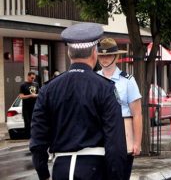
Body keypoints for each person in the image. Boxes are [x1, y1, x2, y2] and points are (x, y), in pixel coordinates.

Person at [29, 23, 128, 180]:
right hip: (94, 169)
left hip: (60, 168)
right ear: (94, 53)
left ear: (69, 54)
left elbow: (38, 138)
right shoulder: (105, 88)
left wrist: (43, 172)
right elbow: (115, 143)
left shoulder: (48, 89)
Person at [97, 37, 143, 178]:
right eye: (101, 55)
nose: (104, 59)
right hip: (99, 133)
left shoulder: (127, 80)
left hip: (123, 131)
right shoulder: (94, 78)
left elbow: (137, 113)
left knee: (121, 174)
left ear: (116, 57)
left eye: (108, 55)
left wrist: (137, 142)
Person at [19, 71, 39, 138]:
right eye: (31, 78)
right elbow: (21, 96)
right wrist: (30, 95)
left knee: (34, 122)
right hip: (26, 108)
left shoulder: (36, 84)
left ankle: (35, 136)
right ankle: (28, 136)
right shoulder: (23, 85)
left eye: (34, 78)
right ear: (28, 76)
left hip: (34, 107)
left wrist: (35, 95)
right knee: (27, 122)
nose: (32, 79)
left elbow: (39, 94)